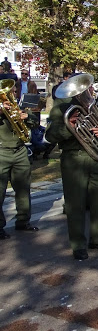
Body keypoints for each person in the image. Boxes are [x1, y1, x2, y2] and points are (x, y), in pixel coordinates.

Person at [46, 73, 98, 260]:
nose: (88, 91)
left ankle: (97, 238)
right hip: (74, 160)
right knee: (75, 204)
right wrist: (68, 125)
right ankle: (78, 244)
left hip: (97, 160)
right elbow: (50, 136)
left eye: (88, 88)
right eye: (85, 88)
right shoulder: (61, 109)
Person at [0, 86, 40, 240]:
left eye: (14, 91)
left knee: (23, 188)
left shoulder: (20, 106)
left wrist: (26, 117)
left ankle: (23, 221)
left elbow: (35, 121)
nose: (11, 94)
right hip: (2, 151)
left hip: (20, 151)